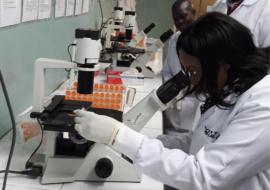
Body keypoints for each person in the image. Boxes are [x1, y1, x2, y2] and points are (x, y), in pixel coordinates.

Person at [74, 12, 270, 190]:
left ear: (223, 64)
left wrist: (118, 136)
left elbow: (203, 176)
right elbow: (203, 139)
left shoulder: (263, 106)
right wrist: (152, 142)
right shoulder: (234, 86)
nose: (191, 80)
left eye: (193, 71)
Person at [162, 0, 198, 135]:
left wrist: (186, 92)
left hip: (193, 108)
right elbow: (167, 71)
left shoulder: (205, 40)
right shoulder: (174, 39)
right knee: (167, 139)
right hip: (173, 104)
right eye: (176, 19)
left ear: (193, 13)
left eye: (183, 16)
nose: (180, 22)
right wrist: (172, 91)